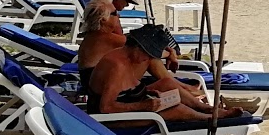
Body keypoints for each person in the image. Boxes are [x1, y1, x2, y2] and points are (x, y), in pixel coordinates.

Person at [87, 24, 243, 122]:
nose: (147, 59)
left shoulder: (128, 57)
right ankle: (209, 118)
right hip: (110, 120)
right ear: (137, 47)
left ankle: (205, 108)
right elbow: (106, 108)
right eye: (147, 55)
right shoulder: (117, 65)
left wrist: (146, 93)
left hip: (128, 101)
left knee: (167, 84)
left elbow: (125, 89)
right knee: (176, 109)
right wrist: (143, 106)